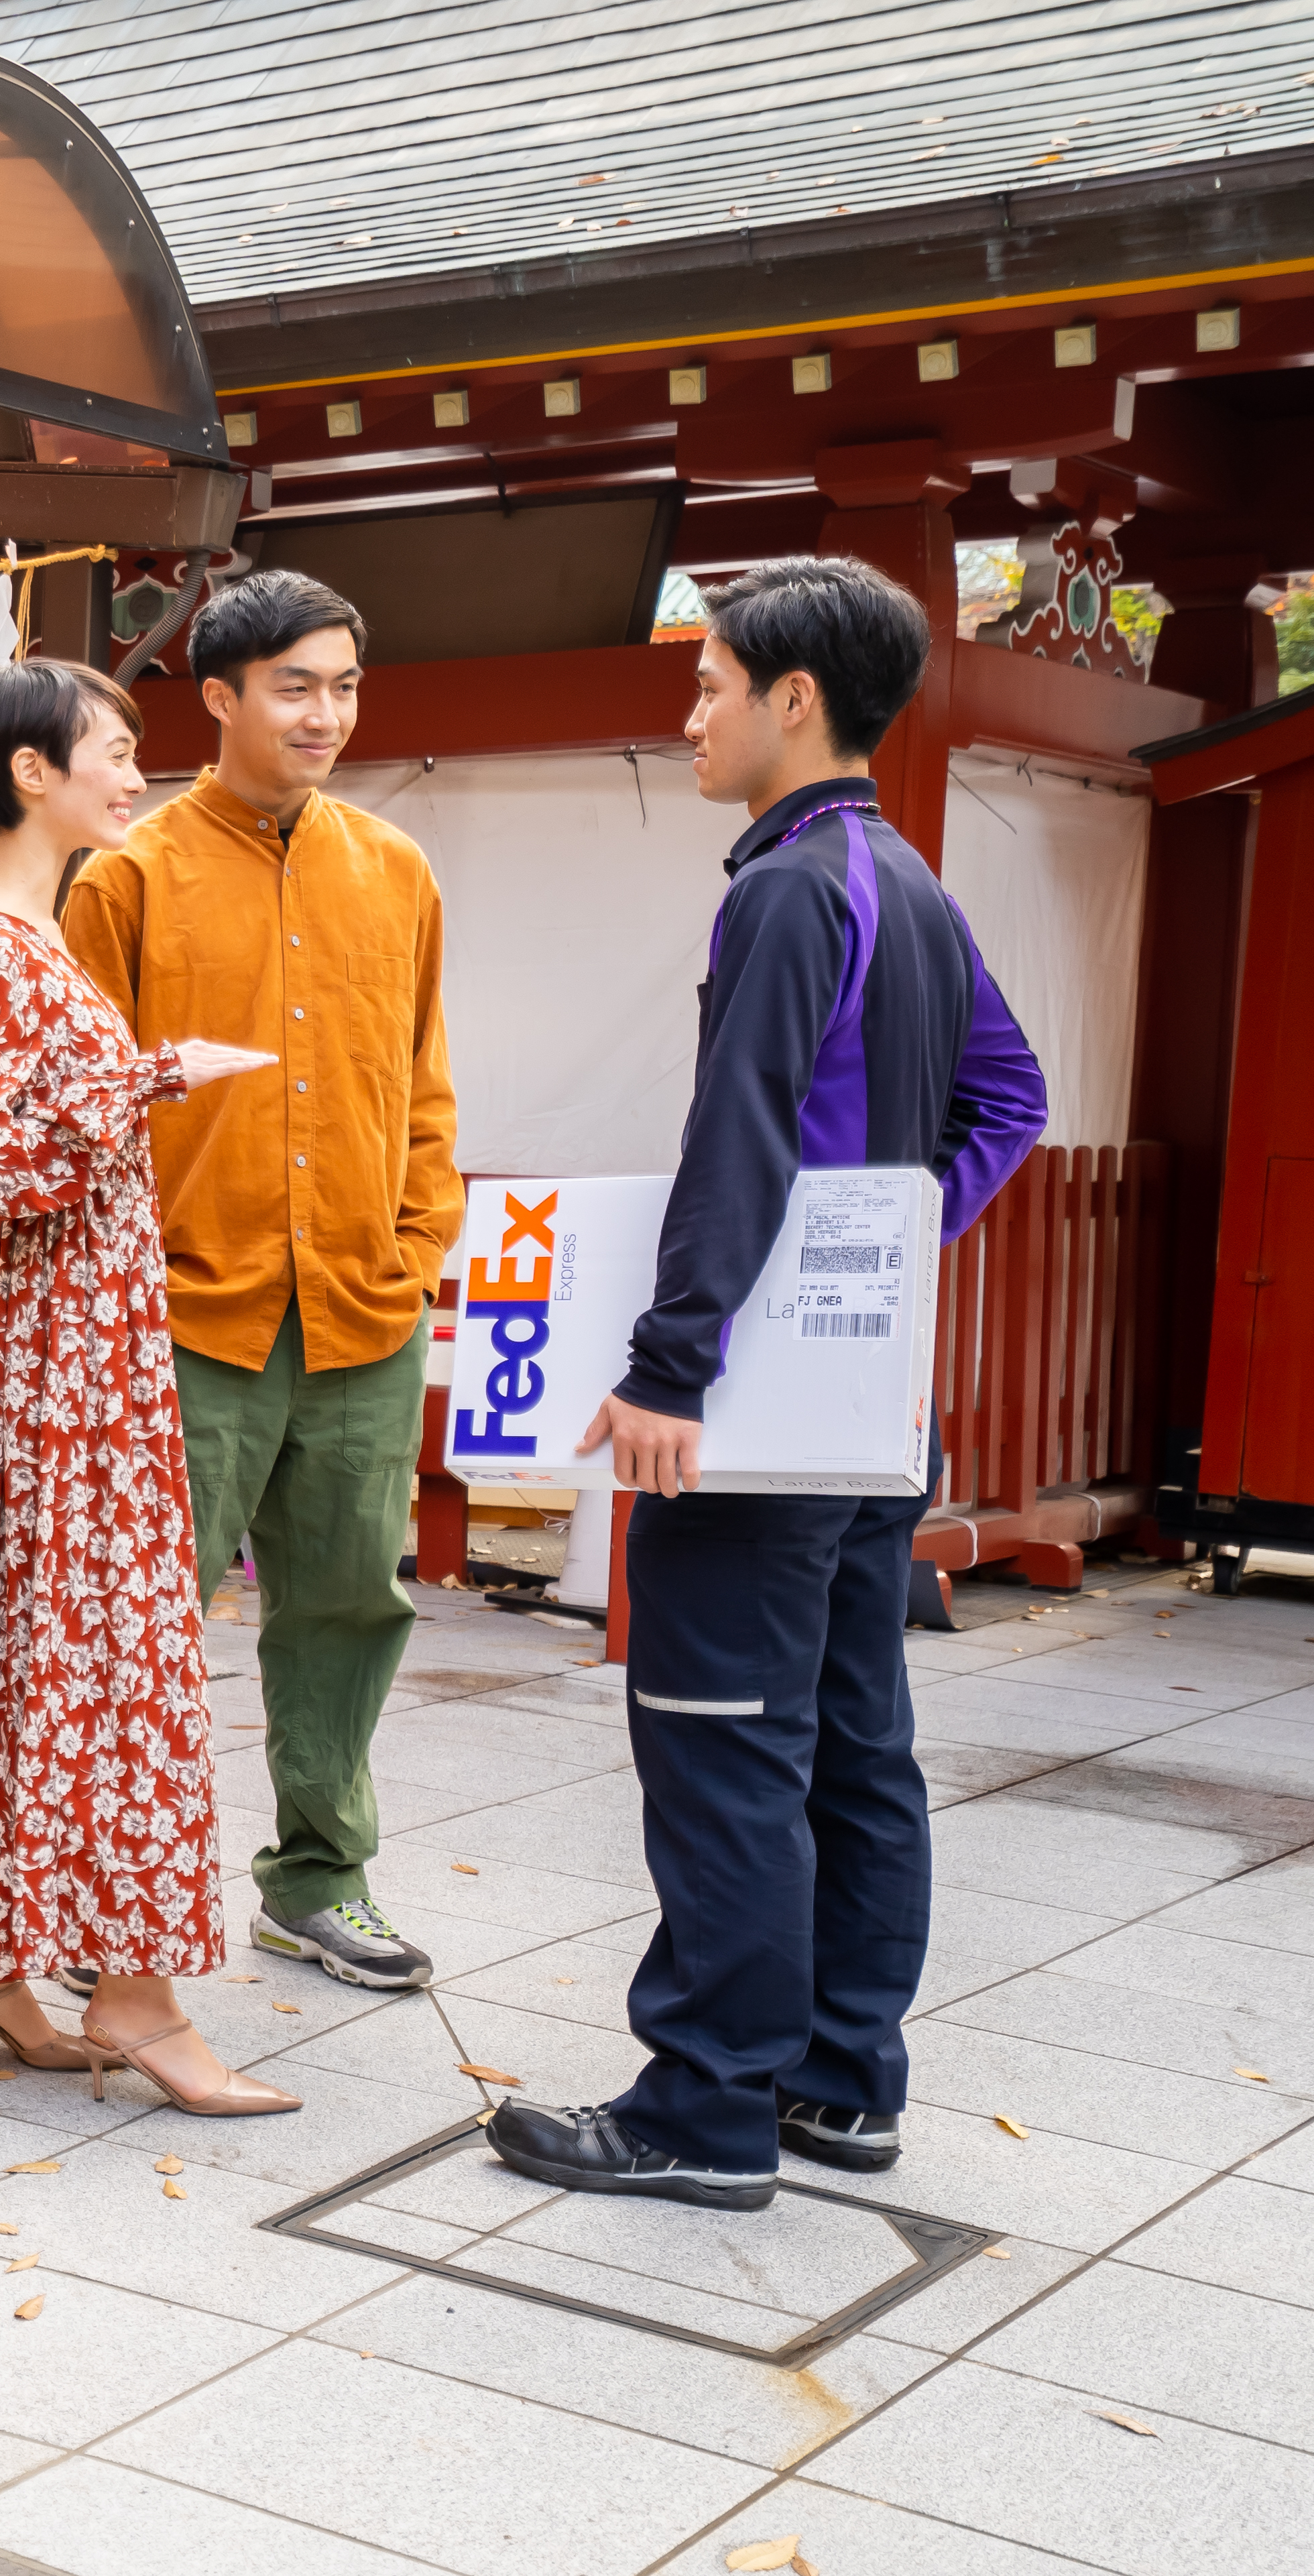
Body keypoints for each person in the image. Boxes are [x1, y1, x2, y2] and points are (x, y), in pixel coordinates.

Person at [491, 557, 1044, 2210]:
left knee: (723, 1735)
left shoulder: (790, 887)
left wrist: (677, 1365)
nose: (694, 711)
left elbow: (736, 1131)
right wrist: (881, 1241)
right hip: (871, 1415)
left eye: (712, 681)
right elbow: (1010, 1100)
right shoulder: (911, 879)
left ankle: (704, 2106)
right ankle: (840, 2082)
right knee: (855, 1738)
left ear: (795, 696)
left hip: (762, 1420)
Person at [0, 659, 298, 2117]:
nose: (136, 776)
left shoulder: (33, 931)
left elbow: (15, 1138)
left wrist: (131, 1078)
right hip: (66, 1352)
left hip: (72, 1343)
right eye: (116, 753)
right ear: (34, 772)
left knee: (40, 1647)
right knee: (114, 1650)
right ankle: (133, 1992)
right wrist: (141, 1082)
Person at [64, 571, 463, 1995]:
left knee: (353, 1601)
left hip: (363, 1304)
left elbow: (421, 1081)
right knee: (140, 1617)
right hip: (188, 1313)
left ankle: (318, 1878)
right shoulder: (127, 874)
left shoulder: (397, 870)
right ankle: (104, 1906)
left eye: (346, 686)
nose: (328, 714)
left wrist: (420, 1242)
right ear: (218, 696)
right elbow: (82, 1103)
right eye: (296, 685)